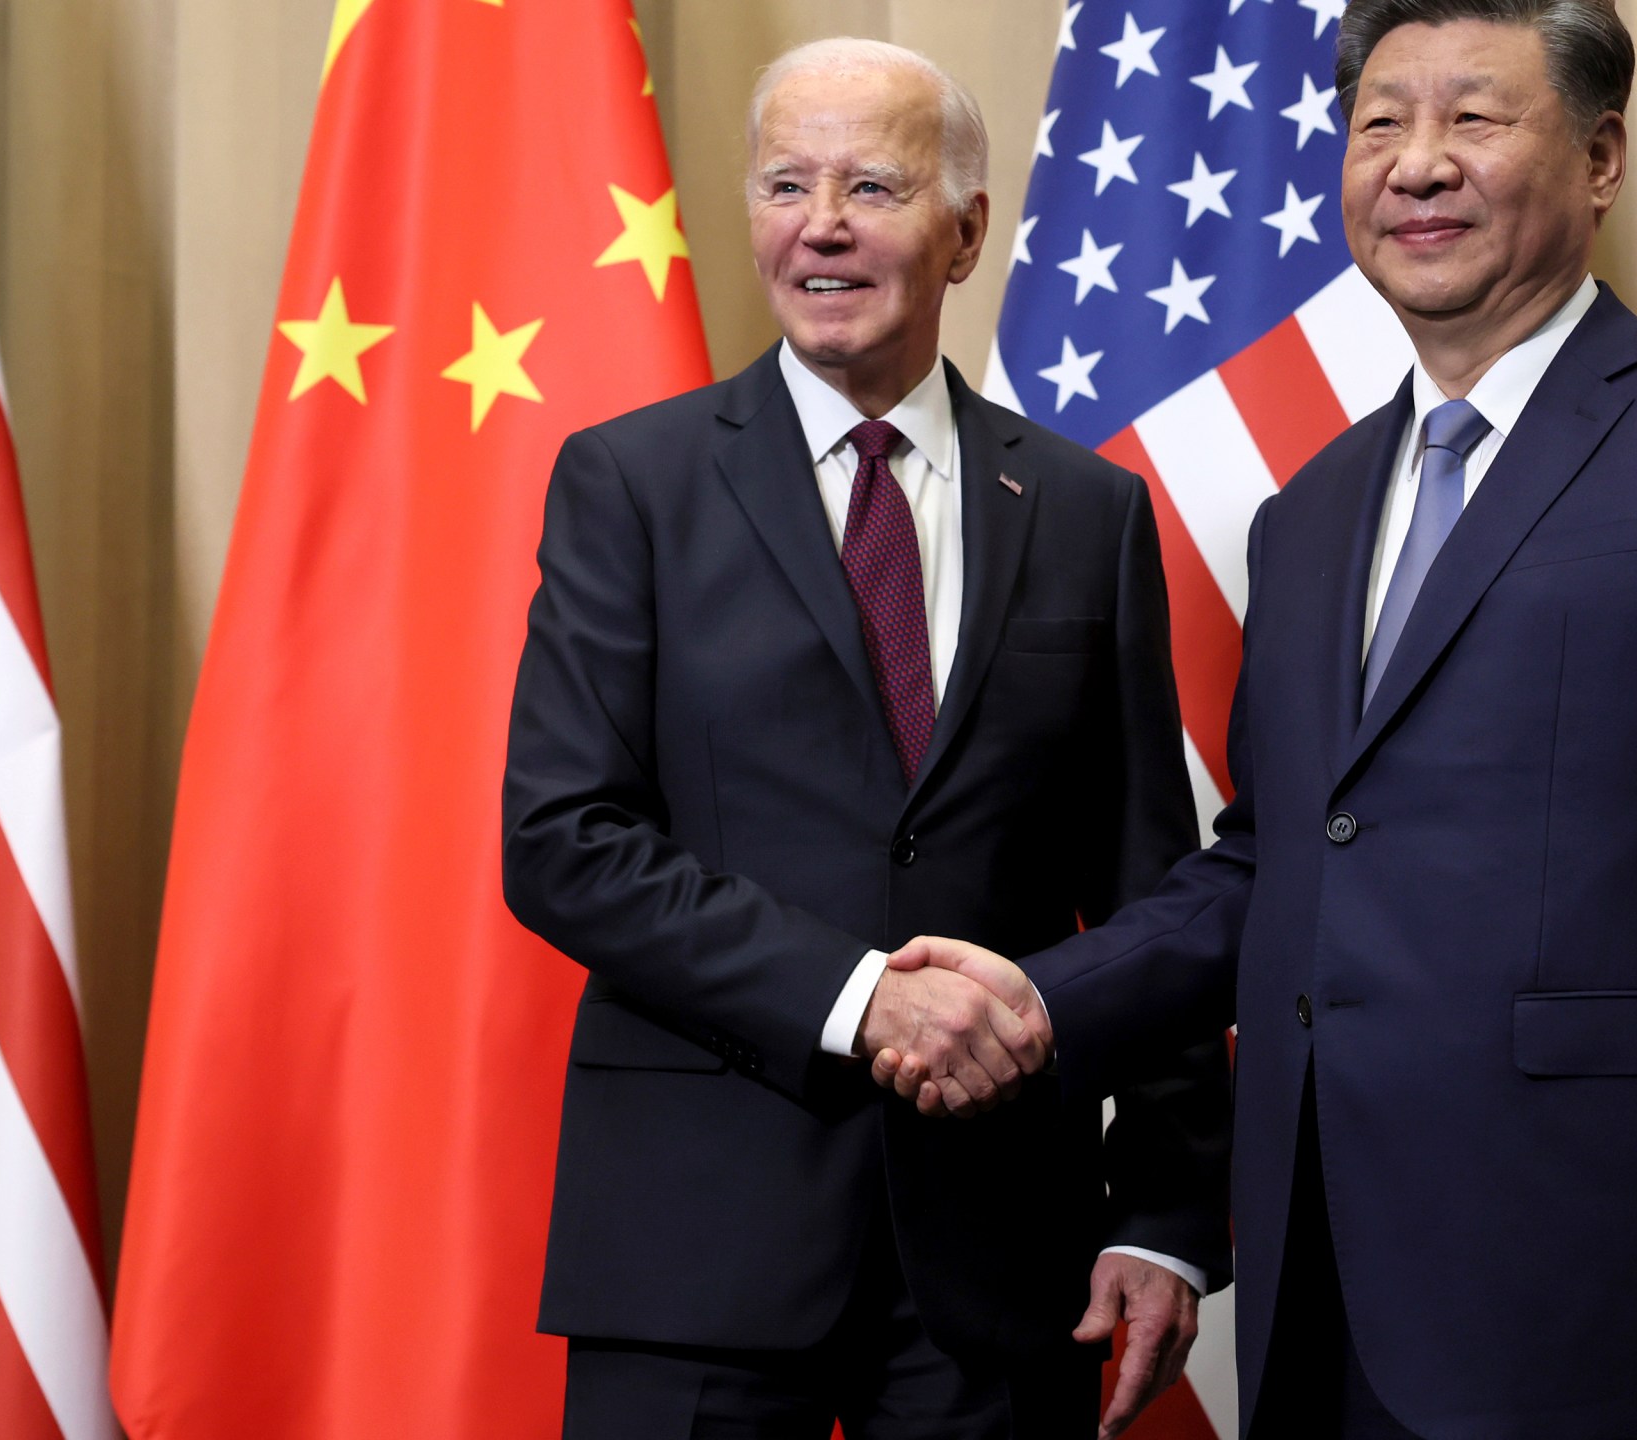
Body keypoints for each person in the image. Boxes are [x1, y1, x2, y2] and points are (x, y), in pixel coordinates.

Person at [880, 3, 1637, 1437]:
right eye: (1379, 124)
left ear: (1603, 157)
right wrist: (1037, 998)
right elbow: (1279, 859)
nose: (1416, 164)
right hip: (1328, 1273)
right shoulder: (1307, 515)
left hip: (1626, 1276)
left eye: (1475, 119)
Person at [501, 38, 1228, 1440]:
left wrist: (1165, 1215)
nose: (820, 222)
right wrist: (858, 997)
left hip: (1002, 1261)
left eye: (872, 185)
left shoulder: (1088, 513)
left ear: (965, 232)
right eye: (786, 183)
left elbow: (1154, 891)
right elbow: (564, 843)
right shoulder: (629, 485)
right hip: (698, 1254)